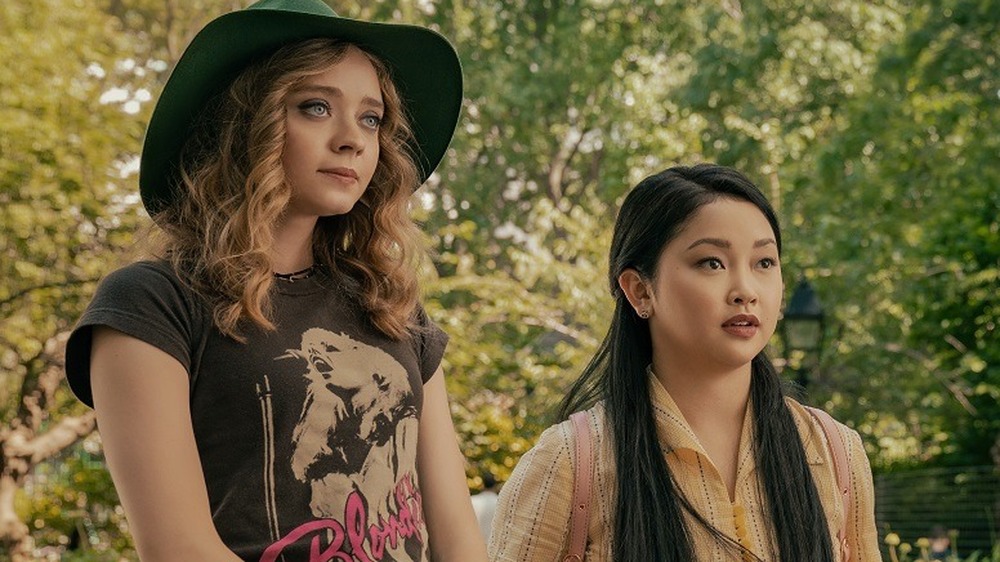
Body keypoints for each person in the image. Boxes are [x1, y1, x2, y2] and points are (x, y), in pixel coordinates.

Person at [63, 1, 487, 560]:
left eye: (371, 118)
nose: (353, 139)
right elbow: (179, 549)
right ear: (244, 124)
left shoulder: (391, 307)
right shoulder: (150, 306)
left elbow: (458, 540)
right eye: (316, 107)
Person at [488, 164, 881, 561]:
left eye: (764, 262)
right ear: (640, 291)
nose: (745, 290)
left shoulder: (834, 453)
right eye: (712, 262)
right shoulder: (572, 463)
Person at [470, 470, 500, 540]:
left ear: (482, 484)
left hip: (475, 542)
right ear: (495, 485)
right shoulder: (500, 503)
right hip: (493, 543)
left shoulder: (473, 501)